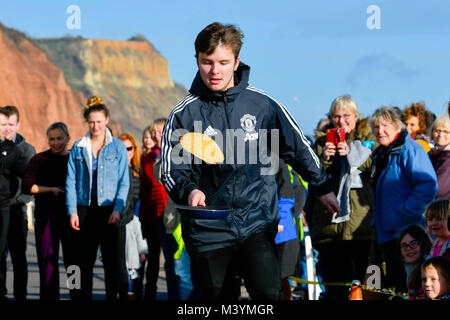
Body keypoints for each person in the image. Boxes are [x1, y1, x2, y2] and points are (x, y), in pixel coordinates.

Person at [160, 22, 340, 300]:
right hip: (208, 227)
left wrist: (323, 186)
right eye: (207, 62)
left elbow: (297, 147)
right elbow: (173, 170)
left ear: (236, 61)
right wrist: (189, 191)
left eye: (223, 62)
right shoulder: (184, 114)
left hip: (256, 222)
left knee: (270, 294)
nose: (214, 71)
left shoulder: (262, 105)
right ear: (197, 60)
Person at [305, 95, 375, 300]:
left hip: (361, 228)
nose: (341, 120)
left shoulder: (368, 140)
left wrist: (353, 156)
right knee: (335, 285)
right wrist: (324, 159)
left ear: (356, 116)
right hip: (329, 227)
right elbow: (310, 176)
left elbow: (375, 169)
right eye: (337, 116)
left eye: (347, 115)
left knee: (366, 285)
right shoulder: (320, 143)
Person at [66, 96, 130, 300]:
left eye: (99, 121)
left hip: (109, 209)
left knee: (113, 262)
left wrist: (118, 209)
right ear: (87, 122)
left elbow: (124, 181)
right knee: (81, 262)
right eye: (92, 122)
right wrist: (72, 211)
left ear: (107, 120)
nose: (96, 126)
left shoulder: (118, 147)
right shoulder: (78, 147)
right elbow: (70, 181)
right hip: (84, 210)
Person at [370, 106, 438, 292]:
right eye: (376, 126)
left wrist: (405, 211)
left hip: (407, 233)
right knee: (393, 286)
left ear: (397, 127)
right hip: (386, 234)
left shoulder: (409, 149)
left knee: (410, 286)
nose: (380, 131)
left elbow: (427, 184)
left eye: (385, 125)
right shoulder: (380, 154)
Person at [21, 122, 75, 300]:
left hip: (71, 217)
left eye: (60, 138)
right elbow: (27, 186)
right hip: (46, 217)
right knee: (47, 262)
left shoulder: (75, 158)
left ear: (68, 138)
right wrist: (51, 189)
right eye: (51, 139)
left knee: (74, 263)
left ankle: (77, 295)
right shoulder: (39, 159)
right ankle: (50, 298)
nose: (56, 142)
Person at [140, 118, 179, 300]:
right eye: (153, 132)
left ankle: (175, 297)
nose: (155, 135)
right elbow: (144, 192)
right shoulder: (147, 159)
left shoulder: (175, 155)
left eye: (159, 131)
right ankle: (149, 296)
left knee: (171, 264)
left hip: (170, 218)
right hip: (152, 218)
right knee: (152, 262)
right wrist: (143, 220)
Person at [0, 105, 35, 300]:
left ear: (18, 124)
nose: (7, 128)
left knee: (18, 256)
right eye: (3, 124)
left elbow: (31, 181)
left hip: (16, 210)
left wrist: (21, 200)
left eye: (11, 124)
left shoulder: (26, 149)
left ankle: (21, 295)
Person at [118, 132, 146, 300]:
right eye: (121, 148)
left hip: (139, 225)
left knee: (138, 268)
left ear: (134, 150)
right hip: (120, 223)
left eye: (129, 148)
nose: (126, 151)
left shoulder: (139, 173)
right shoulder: (112, 173)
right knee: (120, 267)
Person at [275, 159, 306, 300]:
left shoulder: (283, 167)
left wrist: (280, 220)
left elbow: (289, 198)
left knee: (280, 280)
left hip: (283, 232)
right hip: (270, 232)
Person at [397, 225, 432, 292]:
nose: (408, 248)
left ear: (423, 244)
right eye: (404, 245)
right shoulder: (407, 267)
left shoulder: (431, 268)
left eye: (413, 243)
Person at [428, 113, 450, 199]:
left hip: (441, 207)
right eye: (437, 131)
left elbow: (440, 190)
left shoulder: (447, 155)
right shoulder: (431, 154)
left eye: (446, 132)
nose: (441, 135)